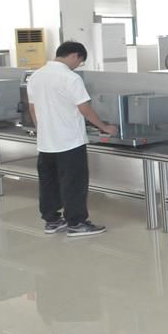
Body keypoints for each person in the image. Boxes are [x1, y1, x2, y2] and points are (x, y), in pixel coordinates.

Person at [27, 42, 117, 237]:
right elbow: (84, 108)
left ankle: (52, 221)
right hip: (69, 142)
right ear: (75, 55)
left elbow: (32, 109)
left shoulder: (35, 76)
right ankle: (76, 223)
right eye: (80, 62)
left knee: (48, 182)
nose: (78, 66)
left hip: (46, 142)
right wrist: (104, 127)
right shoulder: (70, 78)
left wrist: (43, 131)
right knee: (73, 183)